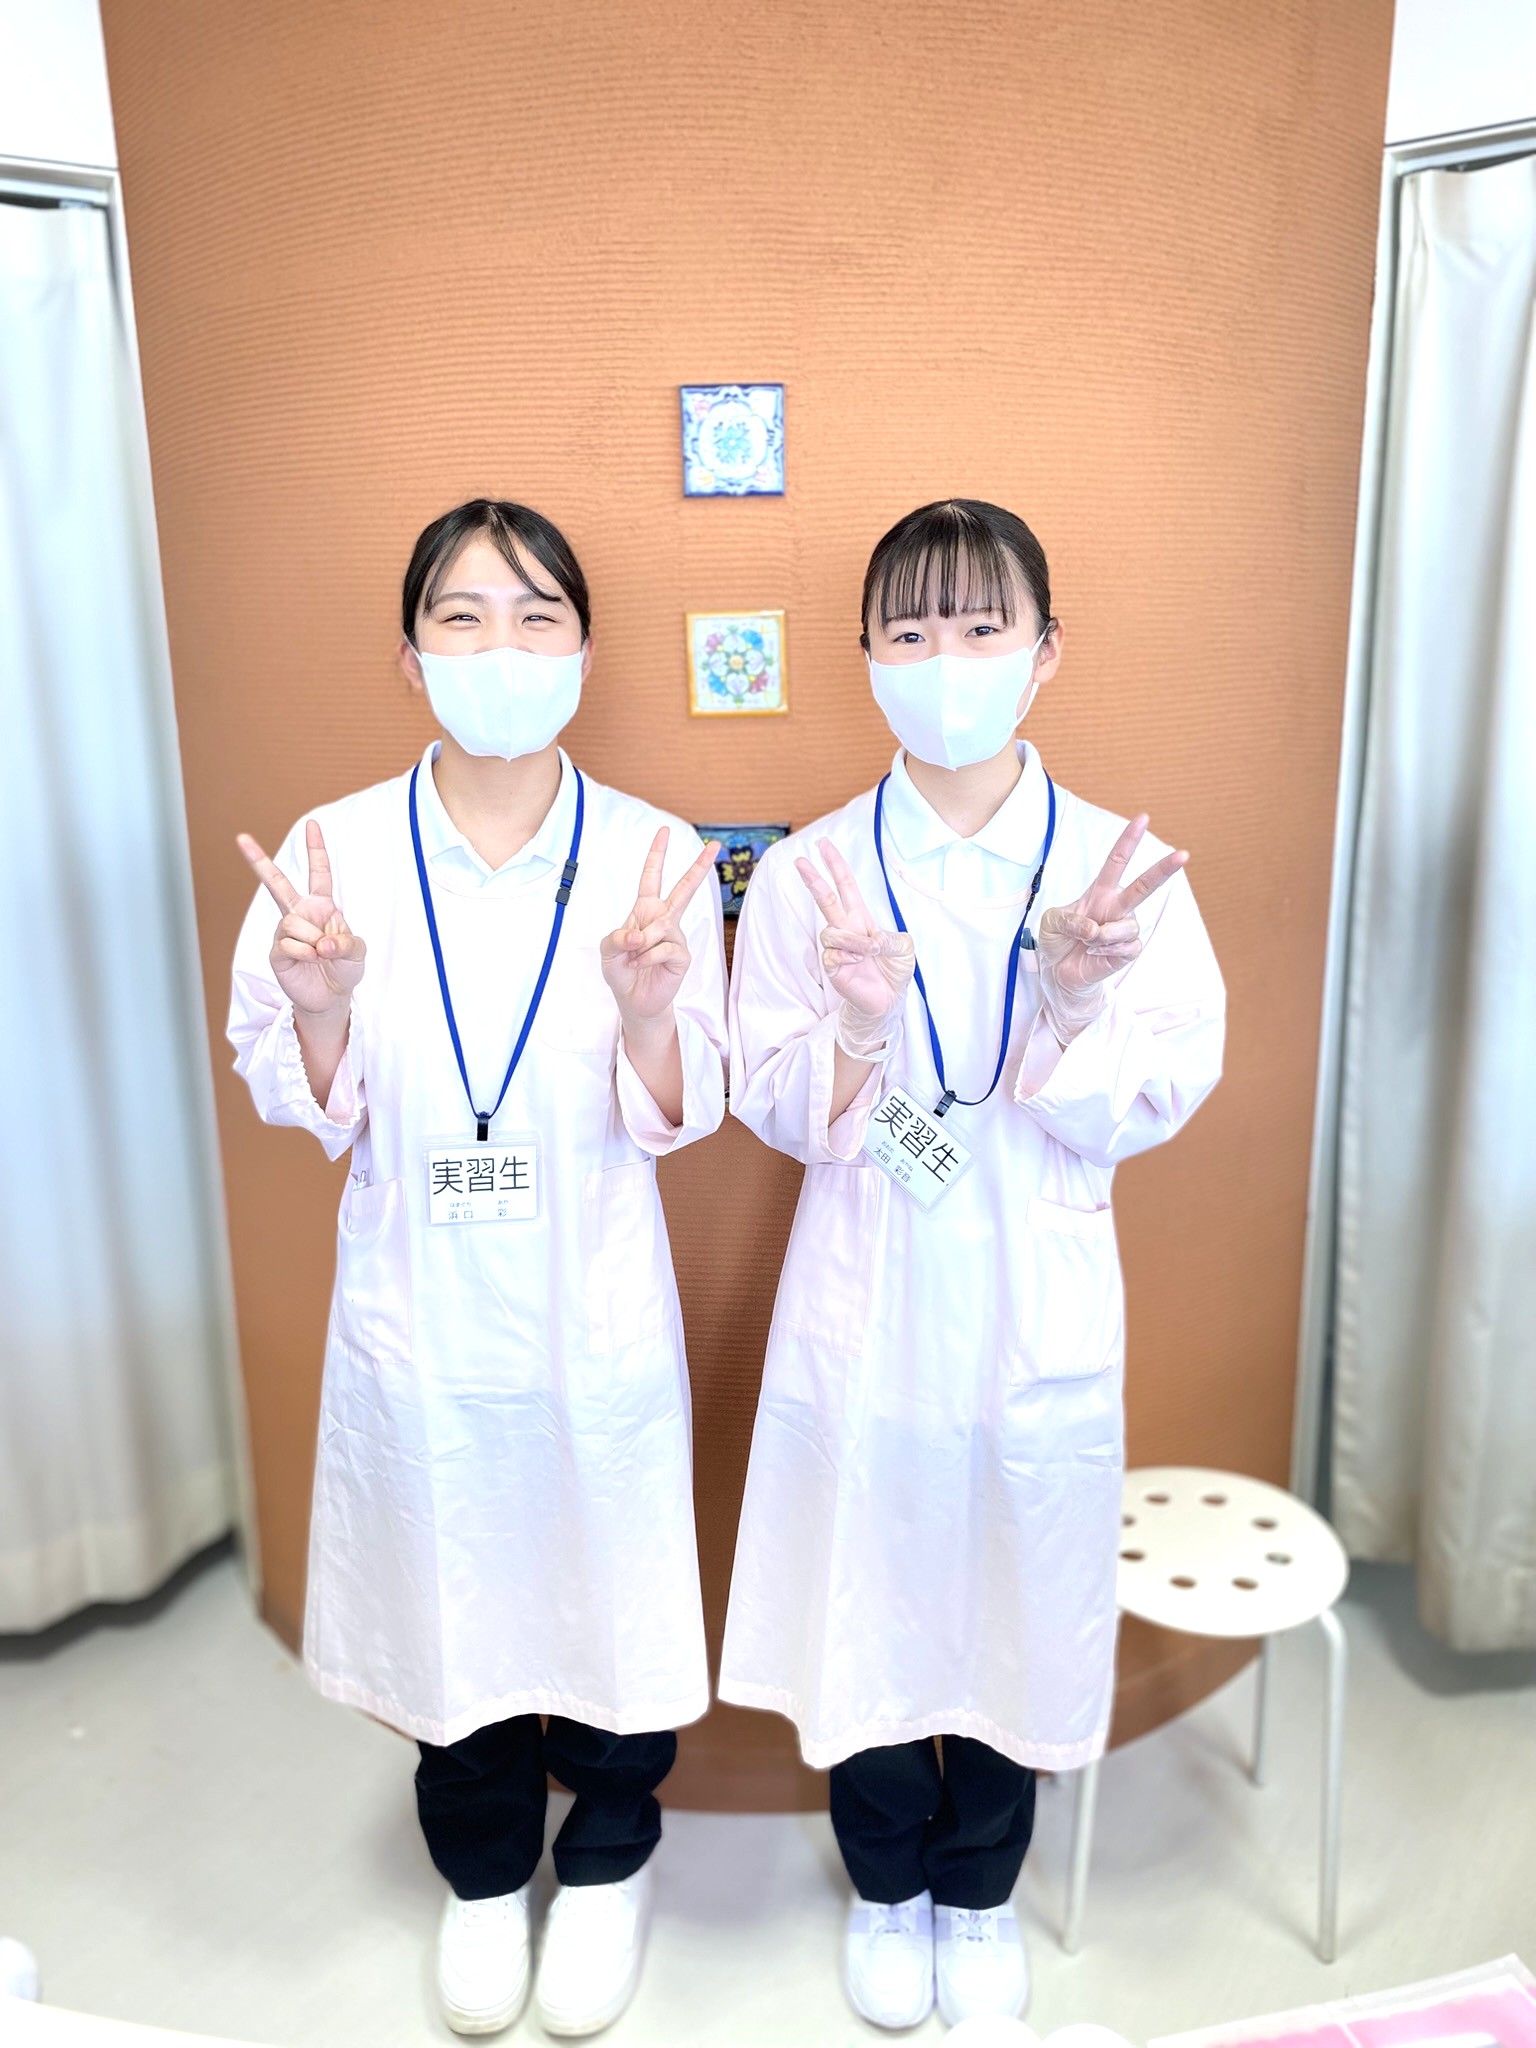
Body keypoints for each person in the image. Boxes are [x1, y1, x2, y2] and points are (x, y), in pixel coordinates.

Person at [719, 499, 1225, 2030]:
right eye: (911, 629)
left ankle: (982, 1892)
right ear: (869, 657)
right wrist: (858, 1030)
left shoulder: (1120, 879)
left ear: (1046, 650)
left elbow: (1161, 1093)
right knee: (867, 1585)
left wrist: (1071, 1007)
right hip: (866, 1297)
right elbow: (769, 1095)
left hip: (1032, 1298)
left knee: (1019, 1583)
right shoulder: (811, 874)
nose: (946, 661)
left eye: (982, 626)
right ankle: (887, 1886)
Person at [228, 499, 726, 2039]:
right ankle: (482, 1872)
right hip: (426, 1311)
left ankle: (612, 1862)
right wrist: (321, 1006)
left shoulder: (653, 856)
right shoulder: (331, 856)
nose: (499, 646)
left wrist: (650, 1014)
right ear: (410, 655)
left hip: (592, 1300)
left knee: (607, 1579)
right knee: (452, 1586)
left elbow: (686, 1105)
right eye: (461, 615)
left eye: (535, 615)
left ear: (583, 649)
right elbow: (300, 1097)